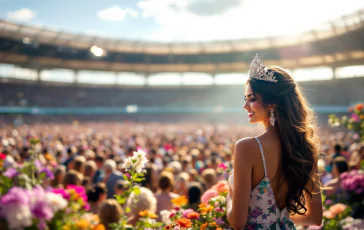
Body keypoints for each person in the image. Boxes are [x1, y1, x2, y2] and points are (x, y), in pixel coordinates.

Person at [227, 55, 323, 229]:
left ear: (272, 104)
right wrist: (279, 220)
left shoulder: (247, 147)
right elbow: (315, 218)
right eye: (245, 99)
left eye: (252, 99)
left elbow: (237, 223)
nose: (245, 105)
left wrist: (228, 199)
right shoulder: (307, 149)